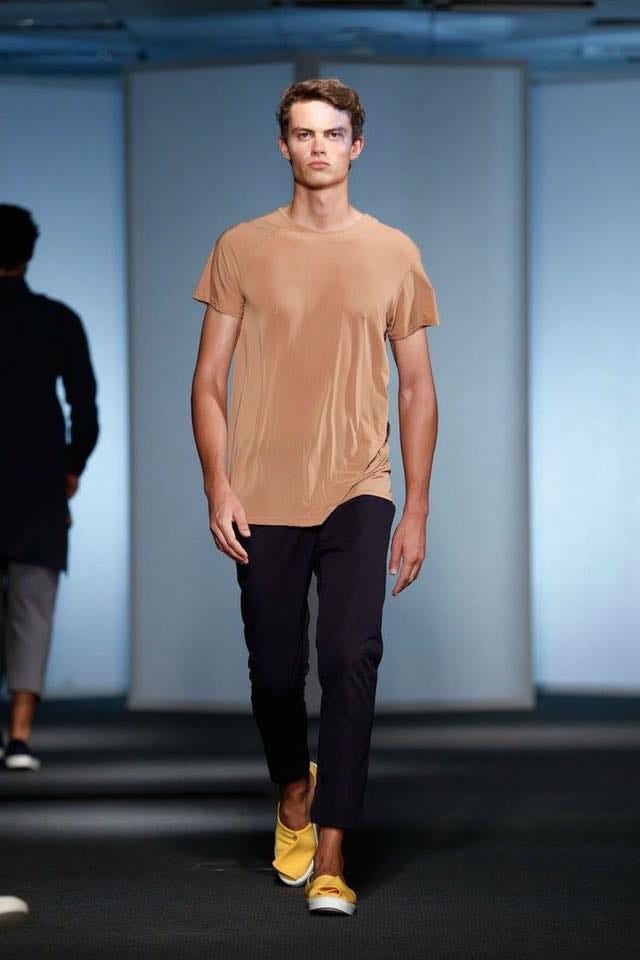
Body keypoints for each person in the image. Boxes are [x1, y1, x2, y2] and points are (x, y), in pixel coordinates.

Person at [190, 77, 440, 915]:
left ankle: (332, 853)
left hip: (358, 486)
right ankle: (293, 790)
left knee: (350, 656)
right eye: (304, 134)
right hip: (261, 489)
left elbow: (418, 388)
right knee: (274, 675)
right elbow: (208, 380)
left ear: (356, 145)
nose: (319, 147)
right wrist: (218, 482)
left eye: (333, 134)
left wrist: (416, 507)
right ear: (283, 146)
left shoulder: (394, 251)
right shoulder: (242, 246)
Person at [0, 204, 99, 771]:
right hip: (37, 480)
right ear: (29, 253)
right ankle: (19, 737)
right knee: (32, 606)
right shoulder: (58, 320)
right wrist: (72, 464)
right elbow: (84, 404)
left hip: (34, 480)